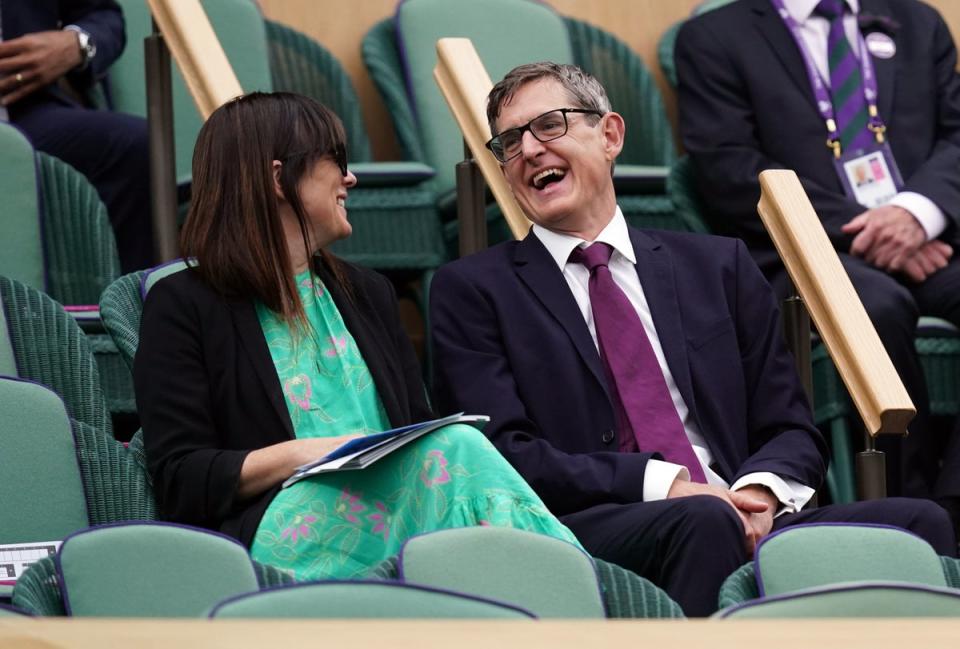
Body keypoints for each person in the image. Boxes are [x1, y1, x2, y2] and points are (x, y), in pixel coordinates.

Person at [428, 62, 957, 616]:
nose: (530, 150)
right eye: (509, 142)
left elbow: (790, 427)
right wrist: (668, 486)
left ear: (610, 135)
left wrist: (762, 495)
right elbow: (501, 455)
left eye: (549, 125)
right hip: (587, 523)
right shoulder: (474, 289)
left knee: (920, 523)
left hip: (739, 504)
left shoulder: (717, 265)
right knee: (703, 521)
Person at [134, 92, 579, 580]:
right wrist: (312, 453)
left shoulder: (369, 292)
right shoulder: (183, 302)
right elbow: (181, 476)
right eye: (336, 161)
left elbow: (416, 431)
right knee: (461, 450)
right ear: (277, 177)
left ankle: (549, 596)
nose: (351, 177)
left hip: (396, 511)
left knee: (456, 451)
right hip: (280, 533)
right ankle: (576, 592)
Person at [675, 0, 960, 516]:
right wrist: (868, 230)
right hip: (803, 251)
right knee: (875, 308)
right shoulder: (714, 36)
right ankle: (906, 509)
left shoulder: (917, 21)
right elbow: (728, 168)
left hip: (926, 236)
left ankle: (953, 506)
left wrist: (916, 215)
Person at [1, 0, 152, 272]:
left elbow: (103, 16)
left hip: (23, 110)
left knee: (136, 146)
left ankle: (128, 307)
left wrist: (76, 43)